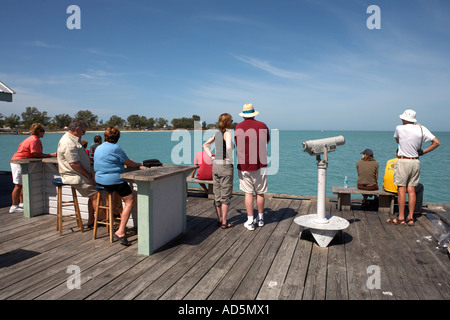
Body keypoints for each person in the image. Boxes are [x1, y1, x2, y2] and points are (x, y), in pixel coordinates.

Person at [391, 109, 440, 226]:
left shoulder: (399, 128)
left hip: (403, 161)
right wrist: (422, 152)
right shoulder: (422, 129)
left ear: (404, 119)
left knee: (401, 190)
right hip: (415, 161)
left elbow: (397, 140)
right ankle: (411, 217)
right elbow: (436, 142)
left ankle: (401, 217)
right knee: (411, 190)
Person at [94, 126, 142, 245]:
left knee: (116, 192)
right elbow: (128, 163)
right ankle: (120, 231)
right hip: (113, 180)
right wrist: (138, 164)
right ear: (117, 137)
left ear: (105, 136)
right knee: (130, 201)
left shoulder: (98, 148)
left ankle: (115, 213)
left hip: (99, 180)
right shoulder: (116, 148)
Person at [235, 104, 270, 231]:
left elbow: (238, 143)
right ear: (254, 114)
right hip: (260, 163)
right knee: (260, 192)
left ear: (243, 114)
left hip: (244, 164)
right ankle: (260, 219)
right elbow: (266, 141)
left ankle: (250, 221)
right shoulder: (262, 125)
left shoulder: (238, 127)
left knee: (248, 193)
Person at [57, 119, 98, 228]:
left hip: (79, 174)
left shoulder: (75, 139)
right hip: (74, 176)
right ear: (76, 129)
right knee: (96, 196)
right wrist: (89, 176)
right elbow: (74, 163)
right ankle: (110, 222)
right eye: (84, 131)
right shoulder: (68, 142)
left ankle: (91, 220)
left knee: (92, 195)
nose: (84, 134)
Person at [9, 123, 56, 213]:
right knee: (18, 185)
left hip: (19, 162)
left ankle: (22, 204)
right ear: (38, 131)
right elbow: (36, 154)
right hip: (19, 162)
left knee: (22, 184)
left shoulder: (31, 139)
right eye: (42, 131)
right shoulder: (34, 140)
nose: (44, 133)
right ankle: (14, 206)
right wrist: (51, 155)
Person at [203, 113, 234, 229]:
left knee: (217, 192)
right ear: (227, 122)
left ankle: (219, 219)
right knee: (226, 194)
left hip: (215, 164)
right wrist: (230, 158)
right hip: (225, 165)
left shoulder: (216, 134)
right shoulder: (228, 134)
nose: (232, 122)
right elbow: (229, 147)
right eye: (231, 120)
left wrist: (211, 156)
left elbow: (205, 145)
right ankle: (225, 222)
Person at [383, 150, 425, 215]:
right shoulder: (406, 162)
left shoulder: (389, 161)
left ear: (396, 153)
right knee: (419, 187)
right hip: (398, 188)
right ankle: (416, 209)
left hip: (387, 187)